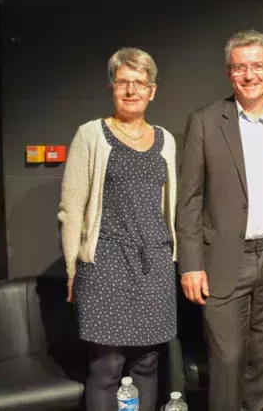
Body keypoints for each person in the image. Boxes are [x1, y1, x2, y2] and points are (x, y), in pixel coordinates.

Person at [176, 29, 263, 411]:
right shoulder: (204, 122)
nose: (249, 75)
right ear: (228, 73)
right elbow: (187, 199)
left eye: (257, 66)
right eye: (240, 67)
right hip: (222, 264)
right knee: (226, 362)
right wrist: (190, 265)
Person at [59, 47, 177, 411]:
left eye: (139, 83)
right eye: (122, 82)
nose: (131, 90)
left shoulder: (165, 139)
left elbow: (167, 207)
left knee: (147, 362)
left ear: (152, 90)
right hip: (105, 264)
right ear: (111, 88)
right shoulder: (91, 135)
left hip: (154, 265)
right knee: (107, 367)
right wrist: (71, 268)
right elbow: (71, 209)